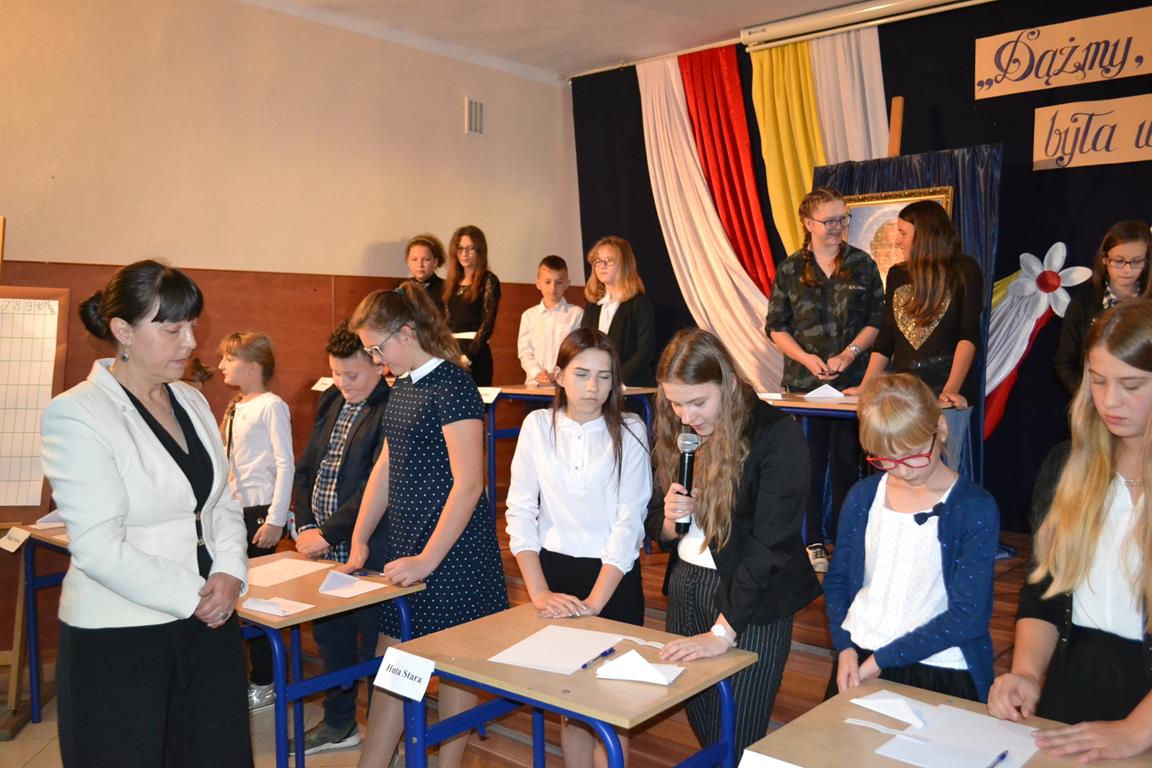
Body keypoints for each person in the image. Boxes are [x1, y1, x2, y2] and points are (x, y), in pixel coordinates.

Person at [40, 260, 251, 767]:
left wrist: (229, 572)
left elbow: (221, 500)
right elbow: (98, 546)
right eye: (172, 329)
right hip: (121, 637)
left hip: (210, 623)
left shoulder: (192, 400)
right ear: (123, 331)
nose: (190, 342)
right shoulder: (78, 412)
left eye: (192, 326)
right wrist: (194, 596)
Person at [344, 284, 508, 768]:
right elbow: (385, 466)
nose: (376, 361)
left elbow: (470, 484)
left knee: (455, 668)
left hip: (453, 552)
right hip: (411, 547)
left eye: (377, 349)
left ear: (407, 333)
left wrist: (427, 560)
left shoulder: (453, 384)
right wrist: (359, 539)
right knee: (398, 668)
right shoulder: (404, 386)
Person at [988, 300, 1152, 762]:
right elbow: (1044, 590)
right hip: (1073, 684)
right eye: (1098, 380)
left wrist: (1136, 732)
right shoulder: (1066, 466)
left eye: (1131, 385)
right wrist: (1026, 673)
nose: (1109, 401)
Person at [645, 329, 820, 755]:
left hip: (753, 599)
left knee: (737, 735)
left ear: (725, 381)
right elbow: (652, 521)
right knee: (706, 727)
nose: (686, 416)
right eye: (675, 402)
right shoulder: (676, 429)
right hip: (687, 586)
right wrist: (669, 519)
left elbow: (770, 545)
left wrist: (723, 631)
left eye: (698, 402)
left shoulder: (776, 435)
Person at [506, 328, 650, 767]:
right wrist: (538, 591)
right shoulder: (537, 426)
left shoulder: (631, 428)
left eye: (605, 377)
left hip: (613, 578)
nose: (593, 387)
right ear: (559, 375)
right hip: (555, 575)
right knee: (569, 706)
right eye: (582, 374)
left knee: (614, 707)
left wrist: (594, 604)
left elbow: (630, 522)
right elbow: (520, 511)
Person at [823, 373, 999, 703]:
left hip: (938, 664)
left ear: (941, 428)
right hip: (861, 651)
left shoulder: (973, 506)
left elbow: (969, 616)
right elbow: (838, 580)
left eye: (914, 454)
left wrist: (882, 660)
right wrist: (844, 645)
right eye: (886, 459)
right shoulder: (864, 496)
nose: (903, 470)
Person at [765, 187, 884, 571]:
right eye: (829, 220)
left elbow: (877, 321)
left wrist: (850, 353)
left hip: (852, 385)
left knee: (849, 464)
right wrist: (806, 358)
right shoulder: (789, 269)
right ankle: (812, 541)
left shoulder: (862, 264)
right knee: (808, 466)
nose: (838, 226)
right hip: (804, 387)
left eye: (843, 219)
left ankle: (848, 542)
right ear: (808, 223)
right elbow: (776, 327)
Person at [290, 322, 391, 755]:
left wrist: (329, 533)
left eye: (352, 375)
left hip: (366, 548)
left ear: (379, 367)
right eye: (335, 373)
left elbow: (374, 485)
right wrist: (305, 525)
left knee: (373, 646)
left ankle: (386, 737)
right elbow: (307, 467)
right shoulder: (331, 399)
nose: (342, 383)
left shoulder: (389, 406)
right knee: (331, 640)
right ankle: (339, 723)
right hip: (321, 547)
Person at [847, 200, 983, 474]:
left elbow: (968, 335)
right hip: (904, 390)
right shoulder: (897, 274)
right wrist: (866, 385)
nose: (898, 241)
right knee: (898, 464)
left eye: (903, 233)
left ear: (924, 235)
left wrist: (951, 389)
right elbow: (886, 336)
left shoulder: (965, 270)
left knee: (940, 467)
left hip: (945, 389)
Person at [217, 330, 295, 712]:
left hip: (260, 512)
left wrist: (276, 518)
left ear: (252, 366)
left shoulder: (271, 406)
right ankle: (245, 675)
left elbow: (285, 463)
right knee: (236, 597)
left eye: (228, 359)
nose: (221, 366)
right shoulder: (236, 406)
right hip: (234, 511)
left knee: (259, 599)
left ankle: (266, 681)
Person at [1053, 220, 1151, 397]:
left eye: (1137, 261)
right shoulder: (1082, 306)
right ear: (1105, 259)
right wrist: (1088, 397)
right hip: (1094, 401)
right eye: (1119, 261)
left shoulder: (1148, 306)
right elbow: (1064, 362)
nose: (1127, 269)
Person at [580, 236, 656, 387]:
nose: (602, 266)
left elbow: (645, 352)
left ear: (624, 265)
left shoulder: (639, 304)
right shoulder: (592, 307)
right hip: (598, 386)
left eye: (608, 260)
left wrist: (616, 376)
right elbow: (585, 347)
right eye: (597, 261)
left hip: (631, 387)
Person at [444, 225, 501, 385]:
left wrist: (468, 356)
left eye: (470, 249)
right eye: (460, 248)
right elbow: (447, 322)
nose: (464, 254)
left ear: (480, 251)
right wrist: (446, 352)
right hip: (452, 353)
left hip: (476, 354)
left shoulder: (489, 280)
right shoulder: (452, 283)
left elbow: (487, 323)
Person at [517, 255, 585, 386]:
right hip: (534, 385)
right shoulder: (528, 316)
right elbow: (525, 352)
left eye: (558, 282)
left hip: (565, 385)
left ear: (567, 284)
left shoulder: (576, 314)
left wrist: (560, 373)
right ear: (538, 284)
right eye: (547, 282)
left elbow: (577, 351)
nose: (553, 288)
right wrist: (537, 372)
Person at [401, 233, 447, 316]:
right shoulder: (402, 288)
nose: (420, 265)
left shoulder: (446, 288)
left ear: (435, 262)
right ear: (407, 261)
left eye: (426, 259)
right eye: (414, 259)